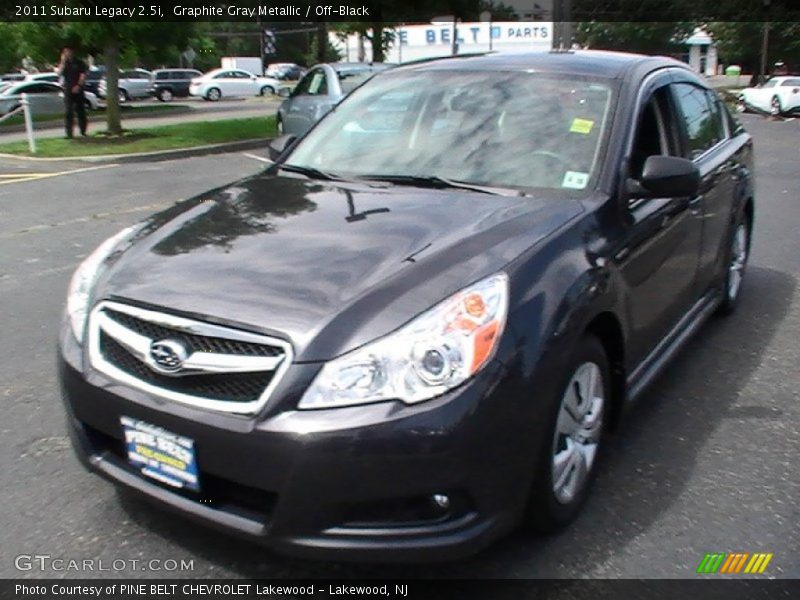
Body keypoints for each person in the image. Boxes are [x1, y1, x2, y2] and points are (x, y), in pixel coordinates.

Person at [57, 46, 87, 138]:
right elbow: (59, 73)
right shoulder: (65, 64)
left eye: (68, 51)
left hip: (78, 89)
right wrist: (62, 61)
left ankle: (83, 131)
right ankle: (69, 133)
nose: (67, 53)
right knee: (68, 111)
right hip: (68, 89)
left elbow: (83, 75)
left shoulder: (79, 62)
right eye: (65, 52)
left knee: (80, 110)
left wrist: (78, 85)